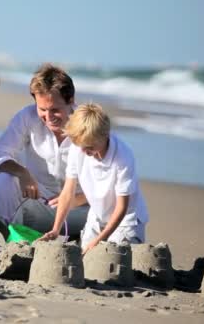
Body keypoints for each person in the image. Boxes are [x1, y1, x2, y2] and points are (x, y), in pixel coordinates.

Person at [0, 63, 88, 240]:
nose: (48, 117)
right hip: (40, 205)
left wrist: (80, 198)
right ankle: (15, 243)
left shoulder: (88, 124)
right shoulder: (27, 117)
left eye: (55, 110)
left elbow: (111, 181)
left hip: (81, 210)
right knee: (2, 181)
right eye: (42, 109)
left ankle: (80, 241)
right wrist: (22, 172)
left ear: (70, 100)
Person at [39, 103, 149, 255]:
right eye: (81, 146)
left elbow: (122, 207)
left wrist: (99, 241)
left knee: (109, 257)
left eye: (89, 147)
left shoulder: (123, 157)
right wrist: (55, 229)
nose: (84, 151)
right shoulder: (78, 147)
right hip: (97, 215)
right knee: (84, 258)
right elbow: (67, 193)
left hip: (126, 221)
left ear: (105, 135)